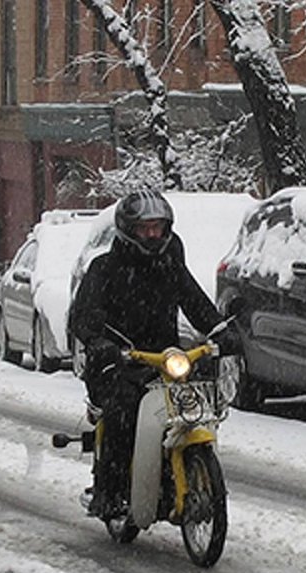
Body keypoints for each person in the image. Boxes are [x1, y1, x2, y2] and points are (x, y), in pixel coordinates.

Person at [68, 189, 239, 518]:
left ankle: (186, 471)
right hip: (118, 361)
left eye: (157, 227)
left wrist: (221, 331)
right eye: (144, 228)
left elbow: (195, 302)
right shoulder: (105, 268)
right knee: (123, 411)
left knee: (194, 403)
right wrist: (99, 342)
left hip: (166, 359)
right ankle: (110, 491)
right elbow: (84, 315)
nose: (152, 235)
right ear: (128, 230)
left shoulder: (169, 265)